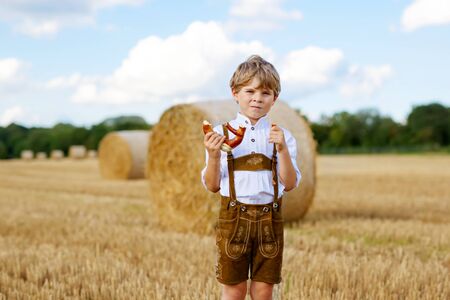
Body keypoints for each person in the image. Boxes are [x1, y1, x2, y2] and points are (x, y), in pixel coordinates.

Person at [201, 55, 301, 300]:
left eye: (265, 93)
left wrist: (282, 151)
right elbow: (213, 185)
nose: (257, 98)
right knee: (234, 290)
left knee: (263, 290)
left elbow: (289, 184)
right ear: (235, 93)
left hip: (270, 220)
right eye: (250, 91)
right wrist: (213, 156)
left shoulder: (282, 136)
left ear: (274, 98)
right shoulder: (219, 134)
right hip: (233, 219)